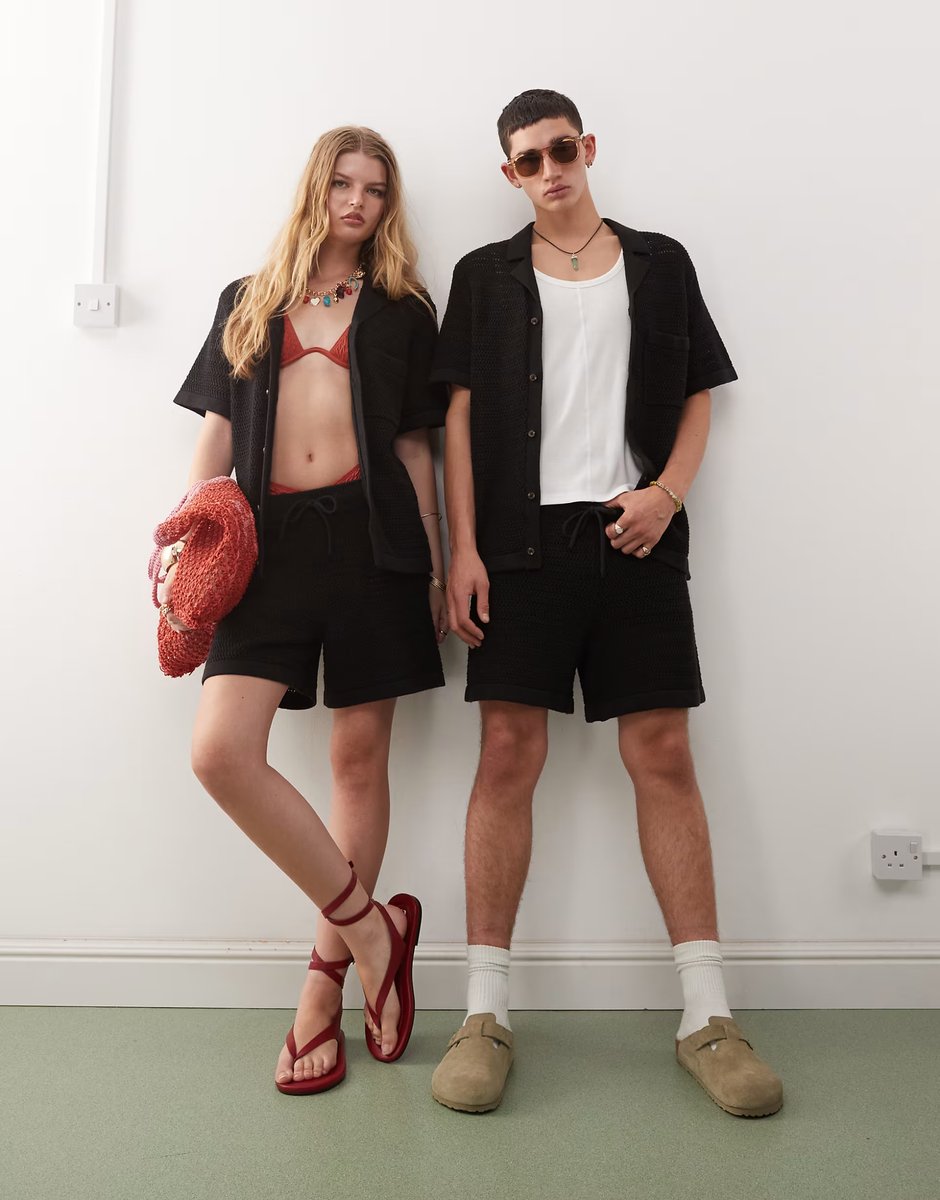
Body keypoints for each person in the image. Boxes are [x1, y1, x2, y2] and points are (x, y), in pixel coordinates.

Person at [429, 89, 782, 1117]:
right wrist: (462, 550)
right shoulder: (483, 276)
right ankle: (484, 1014)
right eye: (528, 160)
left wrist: (667, 493)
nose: (550, 171)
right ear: (509, 174)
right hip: (519, 548)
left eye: (561, 150)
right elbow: (457, 420)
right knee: (507, 754)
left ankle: (707, 1016)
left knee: (662, 753)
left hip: (637, 537)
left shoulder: (660, 262)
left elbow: (698, 391)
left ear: (587, 148)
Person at [161, 126, 448, 1095]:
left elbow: (415, 449)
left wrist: (438, 565)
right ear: (314, 190)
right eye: (342, 183)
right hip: (265, 550)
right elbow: (215, 436)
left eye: (376, 188)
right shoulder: (247, 300)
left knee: (356, 761)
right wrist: (184, 541)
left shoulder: (405, 309)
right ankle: (375, 930)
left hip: (374, 545)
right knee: (220, 752)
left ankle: (321, 987)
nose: (357, 201)